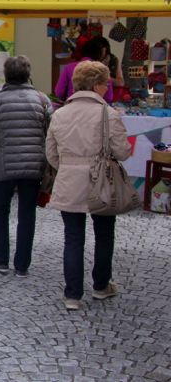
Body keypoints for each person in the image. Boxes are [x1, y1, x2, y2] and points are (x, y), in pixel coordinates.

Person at [46, 60, 130, 310]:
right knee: (104, 235)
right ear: (96, 85)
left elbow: (51, 154)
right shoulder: (108, 114)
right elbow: (123, 152)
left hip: (69, 180)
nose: (107, 88)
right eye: (105, 84)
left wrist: (69, 166)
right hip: (102, 181)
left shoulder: (60, 114)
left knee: (73, 238)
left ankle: (72, 294)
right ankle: (101, 285)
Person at [0, 56, 51, 277]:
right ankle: (22, 264)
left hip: (3, 166)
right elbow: (50, 135)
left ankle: (1, 258)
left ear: (6, 75)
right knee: (27, 213)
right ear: (28, 74)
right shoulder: (42, 99)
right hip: (33, 166)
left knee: (1, 211)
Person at [55, 36, 114, 103]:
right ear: (100, 54)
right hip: (96, 107)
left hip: (72, 105)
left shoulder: (68, 67)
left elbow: (59, 93)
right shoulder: (102, 71)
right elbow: (109, 98)